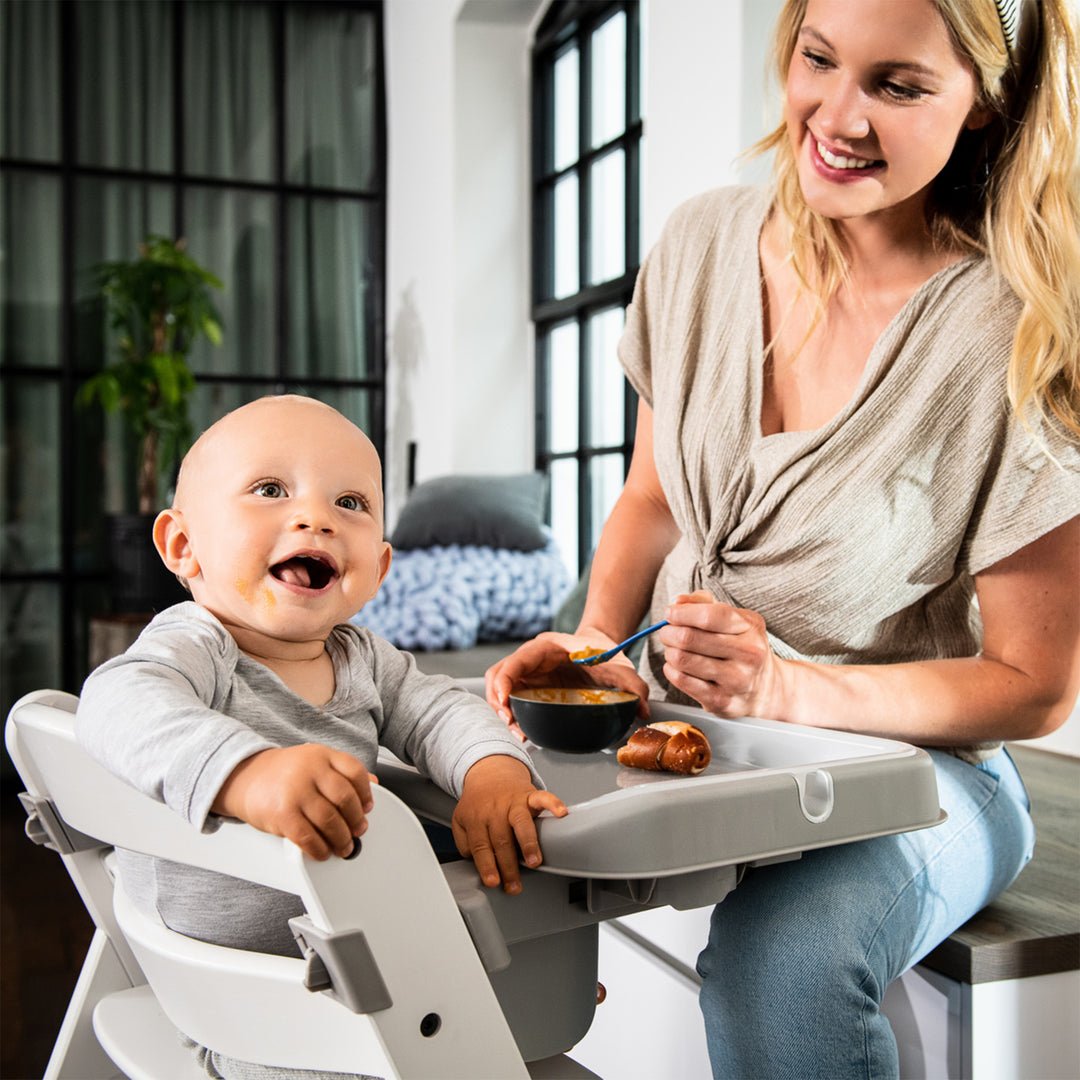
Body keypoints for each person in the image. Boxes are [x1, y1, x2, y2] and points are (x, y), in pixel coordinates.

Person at [488, 0, 1079, 1075]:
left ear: (986, 108)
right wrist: (596, 647)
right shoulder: (702, 244)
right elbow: (653, 500)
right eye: (818, 59)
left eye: (897, 86)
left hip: (927, 774)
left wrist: (788, 692)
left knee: (785, 962)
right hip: (721, 740)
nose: (836, 116)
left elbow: (1034, 687)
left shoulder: (1015, 330)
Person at [77, 394, 567, 1076]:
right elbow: (113, 702)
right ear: (183, 548)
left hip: (348, 962)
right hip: (252, 1003)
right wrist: (246, 777)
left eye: (351, 504)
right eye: (270, 490)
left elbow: (440, 711)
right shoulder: (198, 645)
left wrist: (492, 773)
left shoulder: (364, 656)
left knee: (488, 915)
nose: (314, 518)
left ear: (380, 569)